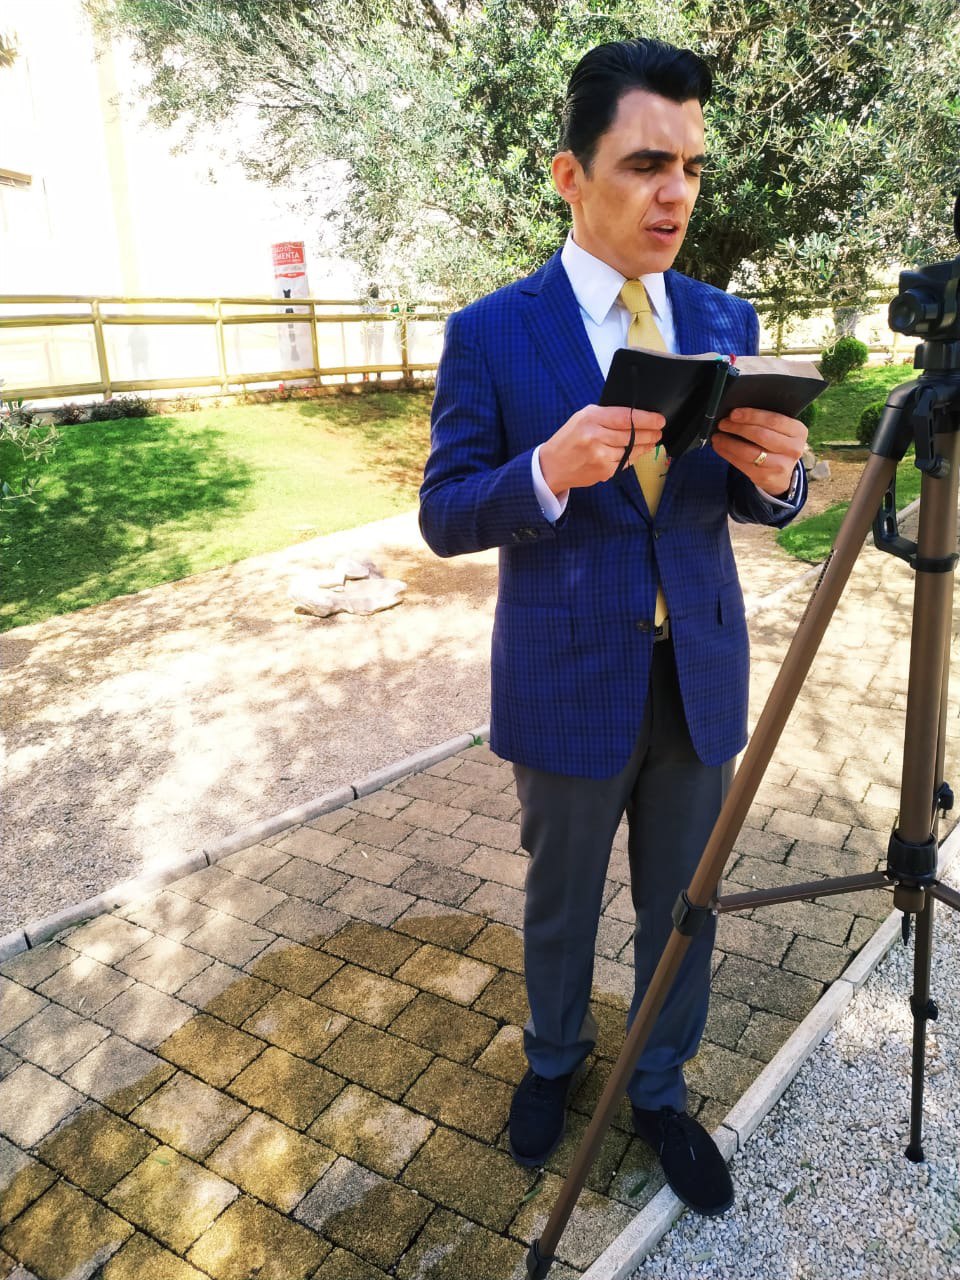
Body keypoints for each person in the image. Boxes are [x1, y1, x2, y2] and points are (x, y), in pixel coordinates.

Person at [419, 36, 808, 1217]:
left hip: (698, 670)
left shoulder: (724, 316)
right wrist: (544, 468)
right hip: (563, 674)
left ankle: (659, 1086)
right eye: (646, 164)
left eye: (690, 166)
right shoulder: (493, 332)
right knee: (561, 898)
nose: (675, 192)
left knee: (685, 902)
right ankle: (553, 1060)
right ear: (570, 175)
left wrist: (780, 477)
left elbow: (756, 494)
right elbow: (444, 512)